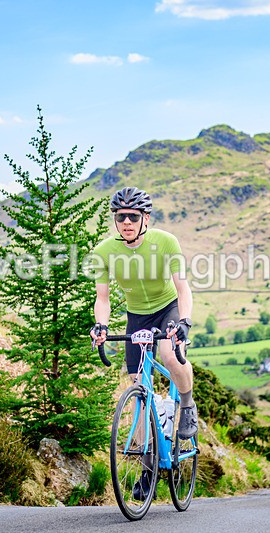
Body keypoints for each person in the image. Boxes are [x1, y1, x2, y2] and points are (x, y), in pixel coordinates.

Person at [89, 186, 198, 440]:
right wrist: (101, 325)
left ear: (145, 218)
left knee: (171, 358)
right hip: (137, 316)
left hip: (168, 308)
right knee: (138, 389)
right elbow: (102, 298)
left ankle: (187, 405)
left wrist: (184, 321)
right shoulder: (103, 252)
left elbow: (183, 288)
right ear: (115, 220)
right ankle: (147, 470)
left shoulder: (165, 242)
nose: (127, 222)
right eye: (121, 217)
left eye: (134, 217)